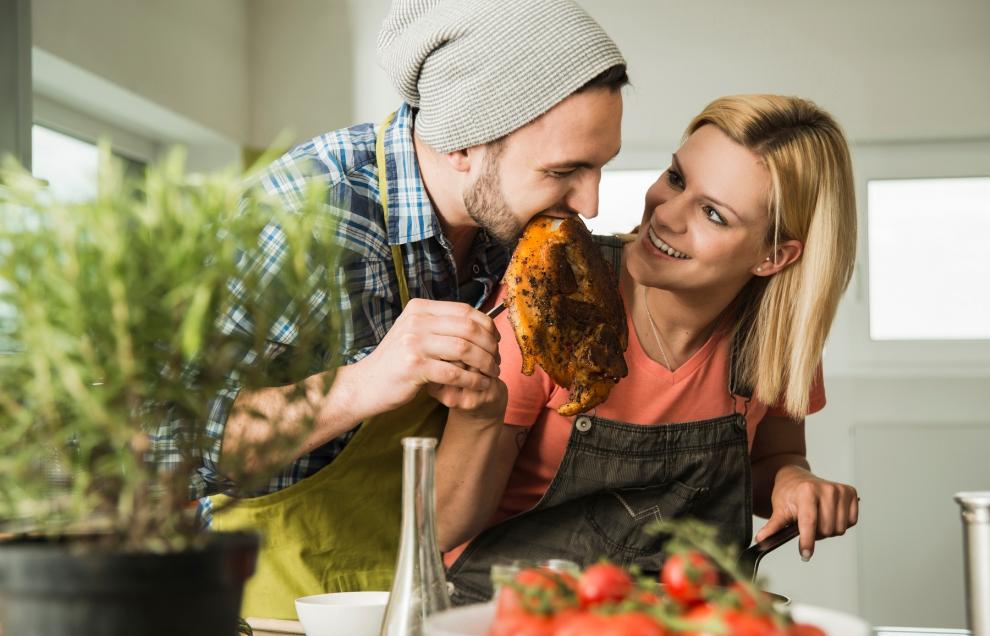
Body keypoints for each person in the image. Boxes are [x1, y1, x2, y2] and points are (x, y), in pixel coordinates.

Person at [152, 0, 628, 620]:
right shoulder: (306, 216)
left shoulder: (506, 233)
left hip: (409, 601)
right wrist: (364, 383)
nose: (589, 203)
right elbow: (166, 441)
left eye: (599, 168)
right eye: (565, 170)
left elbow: (446, 514)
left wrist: (482, 419)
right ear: (462, 144)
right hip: (253, 607)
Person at [435, 94, 861, 604]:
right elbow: (439, 526)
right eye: (677, 178)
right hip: (513, 610)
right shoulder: (559, 292)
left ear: (774, 257)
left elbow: (775, 458)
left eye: (713, 215)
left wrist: (794, 481)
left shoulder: (775, 336)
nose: (666, 215)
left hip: (677, 615)